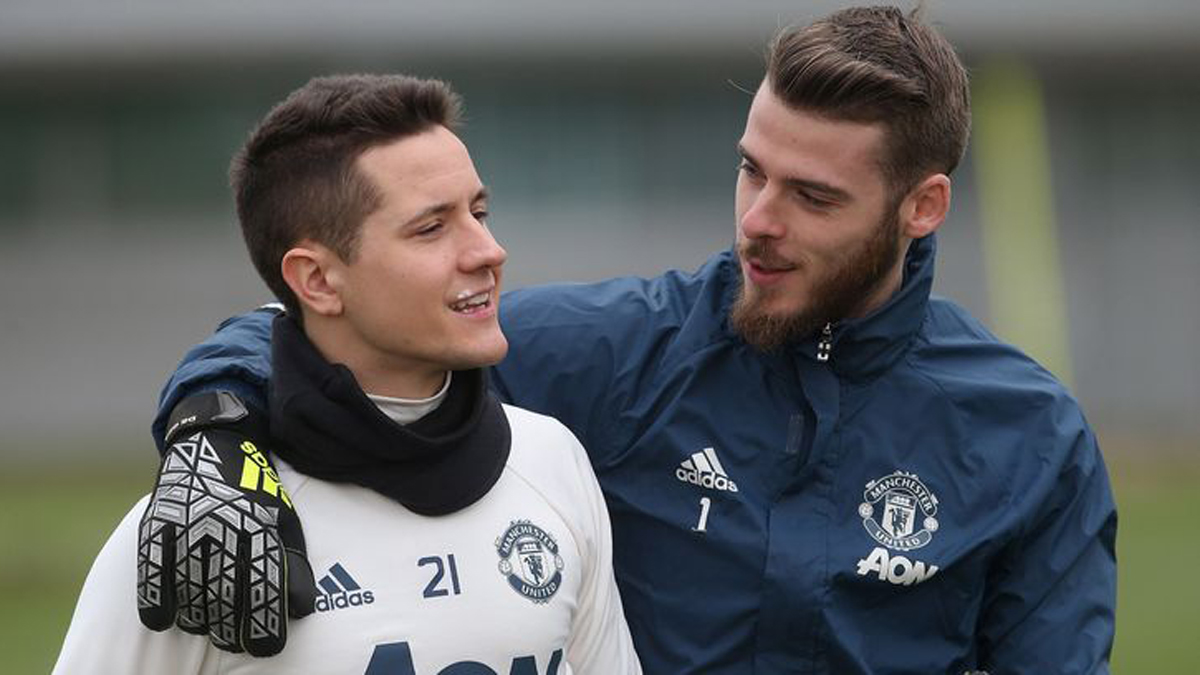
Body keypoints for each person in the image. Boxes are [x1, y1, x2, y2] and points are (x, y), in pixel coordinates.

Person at [135, 6, 1117, 674]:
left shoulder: (1027, 437)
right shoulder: (605, 355)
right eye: (752, 172)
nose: (758, 221)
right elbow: (334, 326)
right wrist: (214, 424)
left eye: (813, 196)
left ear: (923, 206)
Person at [54, 74, 641, 674]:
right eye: (432, 227)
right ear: (317, 280)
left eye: (479, 211)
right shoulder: (200, 531)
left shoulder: (552, 460)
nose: (488, 250)